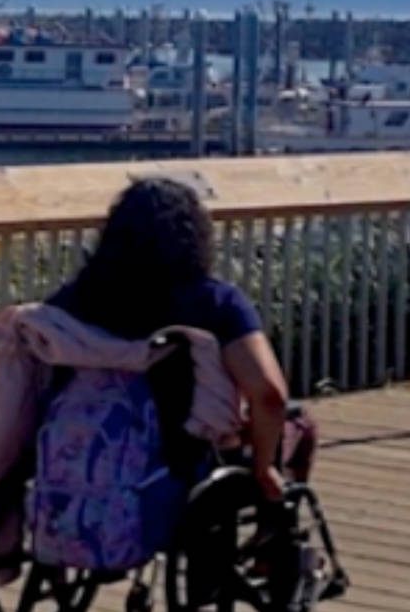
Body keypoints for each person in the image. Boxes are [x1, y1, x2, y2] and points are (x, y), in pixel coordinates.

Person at [46, 175, 289, 502]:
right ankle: (270, 539)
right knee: (301, 428)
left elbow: (3, 372)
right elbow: (269, 394)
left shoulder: (72, 304)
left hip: (84, 452)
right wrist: (264, 466)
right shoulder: (216, 303)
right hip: (185, 458)